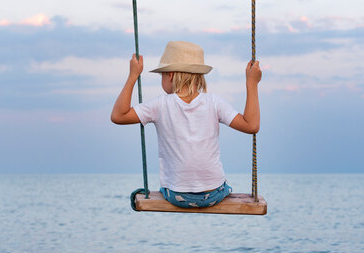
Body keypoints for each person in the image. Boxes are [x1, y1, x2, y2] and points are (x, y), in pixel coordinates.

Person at [111, 41, 261, 208]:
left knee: (169, 186)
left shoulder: (160, 105)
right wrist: (252, 83)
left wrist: (133, 76)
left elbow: (118, 115)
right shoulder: (214, 102)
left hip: (176, 195)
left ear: (171, 75)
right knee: (224, 186)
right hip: (213, 194)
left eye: (162, 74)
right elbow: (251, 125)